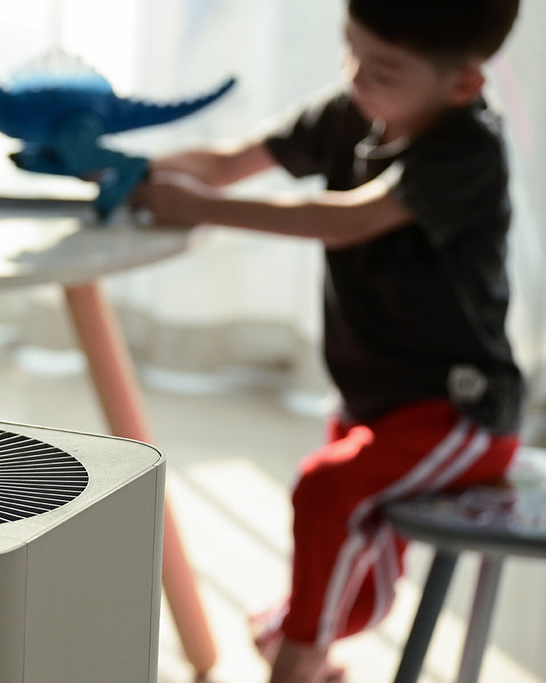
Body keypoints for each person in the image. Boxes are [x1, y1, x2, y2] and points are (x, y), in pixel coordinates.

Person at [132, 1, 524, 681]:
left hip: (461, 411)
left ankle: (300, 658)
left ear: (463, 83)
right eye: (350, 52)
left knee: (324, 490)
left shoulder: (468, 150)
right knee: (348, 566)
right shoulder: (349, 112)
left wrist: (196, 205)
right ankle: (306, 641)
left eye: (383, 71)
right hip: (370, 400)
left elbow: (348, 219)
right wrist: (133, 175)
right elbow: (227, 162)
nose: (356, 79)